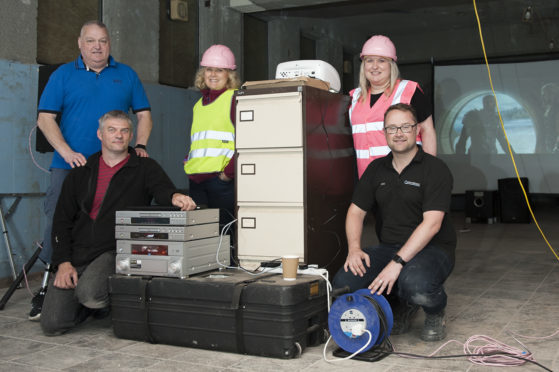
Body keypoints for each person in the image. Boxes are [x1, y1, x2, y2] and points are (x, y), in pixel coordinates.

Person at [32, 20, 153, 321]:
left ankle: (106, 288)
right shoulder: (63, 74)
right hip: (69, 167)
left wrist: (140, 145)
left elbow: (144, 115)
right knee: (57, 224)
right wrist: (65, 151)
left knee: (119, 225)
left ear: (109, 43)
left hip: (116, 168)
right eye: (90, 41)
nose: (97, 46)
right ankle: (50, 286)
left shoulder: (126, 75)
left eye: (102, 41)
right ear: (79, 43)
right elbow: (45, 119)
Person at [40, 110, 196, 336]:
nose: (118, 136)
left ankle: (96, 300)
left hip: (115, 250)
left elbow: (162, 190)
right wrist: (63, 263)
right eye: (111, 130)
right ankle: (90, 308)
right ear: (100, 135)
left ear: (131, 136)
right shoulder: (81, 172)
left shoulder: (145, 167)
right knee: (53, 324)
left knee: (91, 293)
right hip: (78, 251)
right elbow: (61, 221)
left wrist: (174, 197)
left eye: (124, 131)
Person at [333, 103, 456, 342]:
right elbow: (355, 212)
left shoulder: (435, 169)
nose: (398, 133)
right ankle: (402, 303)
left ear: (416, 130)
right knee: (345, 282)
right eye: (392, 128)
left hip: (433, 248)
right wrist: (354, 249)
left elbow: (432, 224)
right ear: (385, 132)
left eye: (405, 127)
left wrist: (397, 263)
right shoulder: (376, 169)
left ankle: (434, 310)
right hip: (390, 246)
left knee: (416, 284)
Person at [349, 35, 437, 178]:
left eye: (382, 60)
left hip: (405, 177)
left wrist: (430, 171)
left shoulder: (409, 90)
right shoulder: (354, 98)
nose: (375, 66)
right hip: (368, 181)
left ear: (391, 65)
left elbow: (427, 130)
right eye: (369, 60)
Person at [183, 44, 240, 257]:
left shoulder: (235, 98)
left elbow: (245, 140)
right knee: (201, 238)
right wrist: (188, 160)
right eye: (209, 69)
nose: (213, 74)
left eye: (219, 70)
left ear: (229, 75)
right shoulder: (199, 104)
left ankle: (228, 279)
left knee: (225, 237)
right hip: (197, 181)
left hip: (221, 181)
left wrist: (228, 173)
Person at [540, 83, 559, 153]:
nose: (543, 96)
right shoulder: (549, 108)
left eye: (544, 94)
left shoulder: (556, 108)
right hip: (550, 143)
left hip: (555, 145)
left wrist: (557, 146)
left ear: (552, 94)